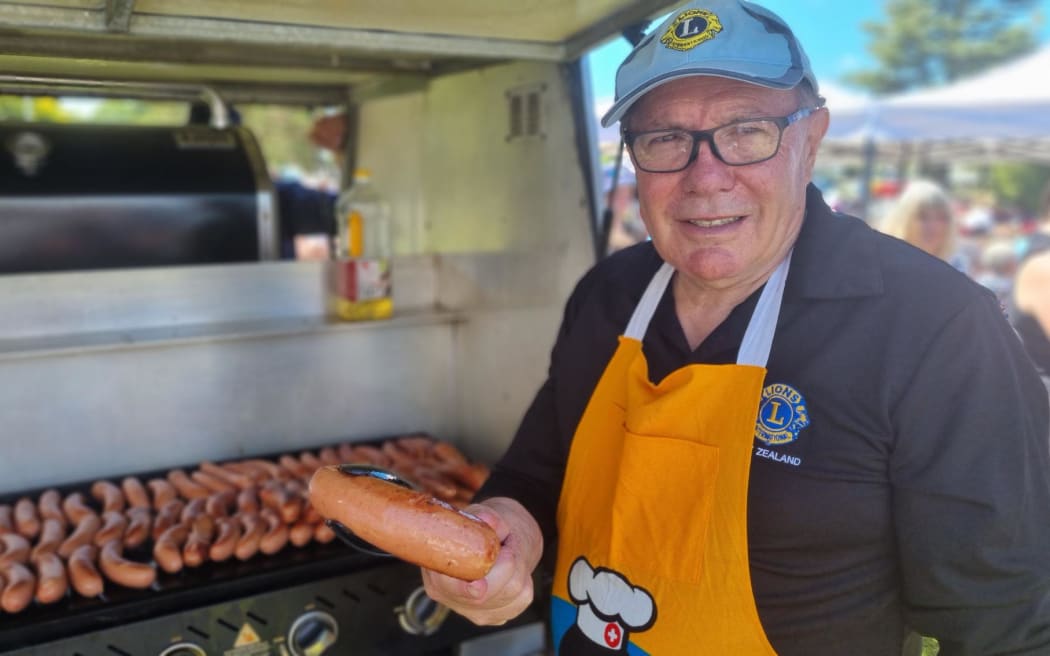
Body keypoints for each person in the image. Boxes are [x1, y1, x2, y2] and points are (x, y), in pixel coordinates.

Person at [420, 2, 1050, 654]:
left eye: (747, 130)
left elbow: (1006, 625)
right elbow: (534, 474)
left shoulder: (934, 328)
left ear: (812, 139)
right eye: (664, 139)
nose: (706, 177)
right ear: (632, 157)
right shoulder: (606, 296)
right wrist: (502, 533)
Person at [880, 179, 968, 272]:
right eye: (923, 217)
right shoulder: (881, 266)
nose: (933, 226)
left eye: (941, 218)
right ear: (904, 221)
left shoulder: (956, 267)